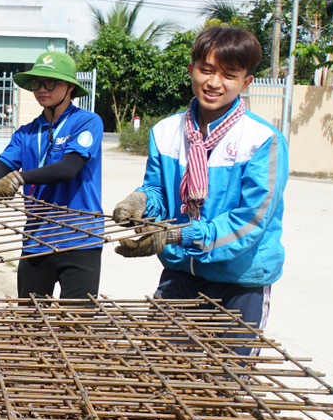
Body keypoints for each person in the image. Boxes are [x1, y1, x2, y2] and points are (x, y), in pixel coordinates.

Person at [111, 26, 285, 332]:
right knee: (164, 369)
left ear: (246, 82)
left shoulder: (263, 140)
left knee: (225, 377)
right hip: (180, 274)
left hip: (240, 284)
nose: (214, 82)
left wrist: (179, 235)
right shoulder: (166, 132)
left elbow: (249, 224)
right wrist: (142, 200)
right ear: (191, 70)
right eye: (206, 70)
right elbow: (159, 191)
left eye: (229, 75)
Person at [0, 51, 104, 300]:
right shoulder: (26, 132)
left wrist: (20, 178)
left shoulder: (86, 122)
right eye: (37, 82)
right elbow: (1, 168)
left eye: (51, 82)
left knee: (76, 325)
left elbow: (69, 168)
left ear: (70, 87)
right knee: (30, 324)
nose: (42, 88)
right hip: (36, 239)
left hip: (80, 238)